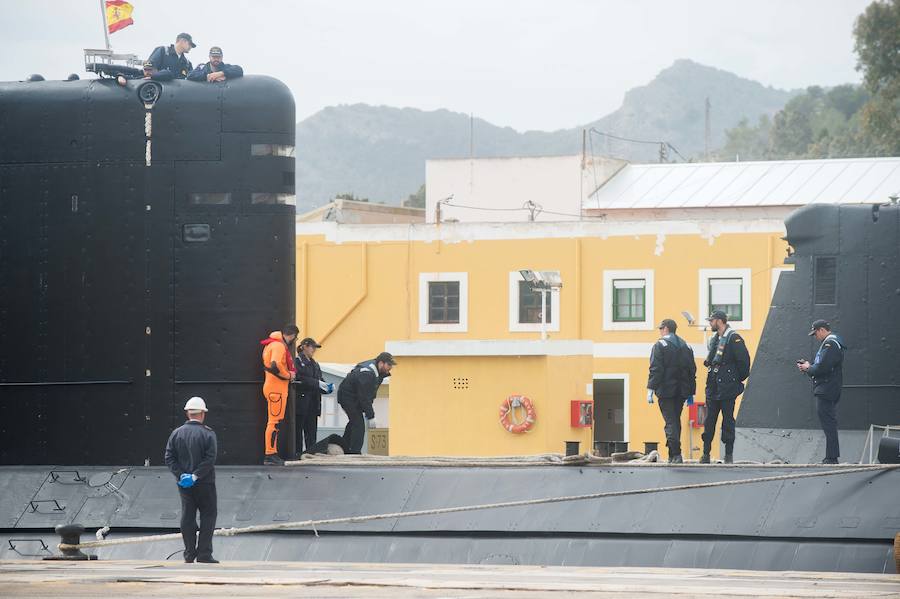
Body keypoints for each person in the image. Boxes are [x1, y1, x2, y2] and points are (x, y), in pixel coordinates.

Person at [164, 396, 218, 563]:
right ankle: (204, 554)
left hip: (184, 485)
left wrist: (181, 475)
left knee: (187, 516)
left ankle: (189, 554)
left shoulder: (176, 433)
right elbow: (210, 459)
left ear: (188, 413)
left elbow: (169, 458)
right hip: (205, 482)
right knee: (208, 515)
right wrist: (196, 475)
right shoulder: (208, 433)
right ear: (202, 414)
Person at [700, 310, 751, 464]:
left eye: (712, 320)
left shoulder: (734, 338)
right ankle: (706, 454)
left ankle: (728, 455)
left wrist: (734, 380)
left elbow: (744, 363)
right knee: (709, 421)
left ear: (719, 321)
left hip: (727, 387)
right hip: (713, 386)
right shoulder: (715, 339)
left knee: (728, 421)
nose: (710, 323)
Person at [647, 318, 697, 464]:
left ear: (666, 328)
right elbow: (692, 371)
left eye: (660, 328)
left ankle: (676, 453)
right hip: (682, 391)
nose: (660, 331)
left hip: (666, 391)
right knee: (675, 421)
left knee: (670, 422)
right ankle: (672, 454)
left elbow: (656, 369)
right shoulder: (686, 346)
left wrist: (651, 388)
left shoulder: (660, 345)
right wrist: (691, 392)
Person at [797, 319, 845, 464]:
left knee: (829, 424)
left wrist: (808, 368)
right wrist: (809, 367)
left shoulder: (830, 344)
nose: (815, 337)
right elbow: (821, 366)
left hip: (826, 389)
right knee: (828, 423)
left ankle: (832, 457)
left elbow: (822, 368)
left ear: (822, 330)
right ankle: (831, 456)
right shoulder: (830, 343)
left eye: (816, 333)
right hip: (826, 388)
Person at [338, 352, 395, 454]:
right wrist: (371, 415)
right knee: (359, 424)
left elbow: (369, 394)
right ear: (381, 363)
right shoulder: (367, 373)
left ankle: (343, 447)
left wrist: (368, 410)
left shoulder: (377, 372)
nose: (390, 368)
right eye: (389, 364)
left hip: (354, 397)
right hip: (348, 397)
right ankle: (355, 453)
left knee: (354, 422)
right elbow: (364, 397)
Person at [260, 324, 299, 465]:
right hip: (276, 389)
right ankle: (270, 454)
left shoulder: (271, 344)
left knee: (274, 421)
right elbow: (275, 366)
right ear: (292, 335)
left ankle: (271, 453)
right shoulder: (278, 346)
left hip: (273, 388)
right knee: (274, 422)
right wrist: (289, 375)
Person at [293, 337, 333, 455]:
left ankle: (310, 454)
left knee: (311, 433)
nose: (314, 350)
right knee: (298, 432)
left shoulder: (315, 364)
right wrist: (317, 383)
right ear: (304, 347)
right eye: (312, 347)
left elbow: (319, 380)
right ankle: (297, 454)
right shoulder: (297, 362)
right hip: (301, 403)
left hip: (313, 403)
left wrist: (326, 388)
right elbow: (300, 378)